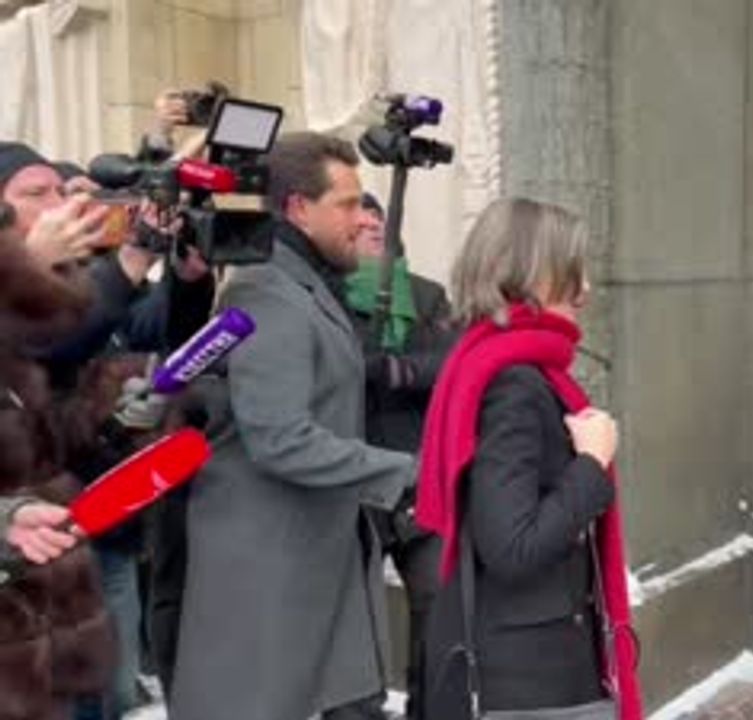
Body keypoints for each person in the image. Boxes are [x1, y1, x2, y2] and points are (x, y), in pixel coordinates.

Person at [167, 133, 415, 720]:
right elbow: (280, 438)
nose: (364, 218)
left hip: (311, 565)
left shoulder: (294, 282)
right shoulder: (266, 291)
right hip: (270, 579)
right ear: (300, 209)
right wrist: (409, 472)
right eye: (348, 204)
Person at [415, 198, 641, 720]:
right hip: (526, 679)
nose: (586, 289)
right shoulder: (513, 383)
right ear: (533, 276)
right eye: (573, 271)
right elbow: (512, 546)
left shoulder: (498, 363)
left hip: (525, 662)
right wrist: (592, 464)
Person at [0, 201, 115, 719]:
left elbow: (42, 445)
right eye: (39, 193)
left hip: (40, 609)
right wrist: (27, 267)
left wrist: (112, 409)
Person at [345, 192, 452, 720]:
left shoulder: (427, 295)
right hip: (352, 483)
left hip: (417, 477)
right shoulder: (325, 298)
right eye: (359, 216)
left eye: (378, 217)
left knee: (437, 608)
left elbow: (452, 361)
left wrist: (399, 369)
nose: (371, 222)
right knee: (354, 624)